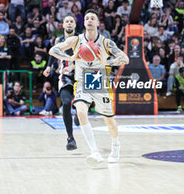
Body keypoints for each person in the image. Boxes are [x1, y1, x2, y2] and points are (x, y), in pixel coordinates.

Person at [49, 9, 129, 165]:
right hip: (82, 83)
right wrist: (71, 58)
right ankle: (95, 152)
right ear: (84, 23)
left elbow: (124, 58)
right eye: (87, 18)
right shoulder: (76, 40)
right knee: (80, 112)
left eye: (93, 18)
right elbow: (54, 50)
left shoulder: (106, 43)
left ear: (98, 23)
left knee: (109, 121)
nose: (89, 20)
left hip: (100, 84)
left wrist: (108, 62)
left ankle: (115, 145)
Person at [43, 15, 79, 150]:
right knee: (65, 103)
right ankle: (70, 138)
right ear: (63, 25)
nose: (69, 24)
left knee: (82, 105)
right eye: (67, 22)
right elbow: (53, 53)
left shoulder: (81, 39)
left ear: (75, 25)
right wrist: (49, 67)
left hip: (80, 76)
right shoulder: (59, 40)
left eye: (71, 21)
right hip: (65, 75)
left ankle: (79, 115)